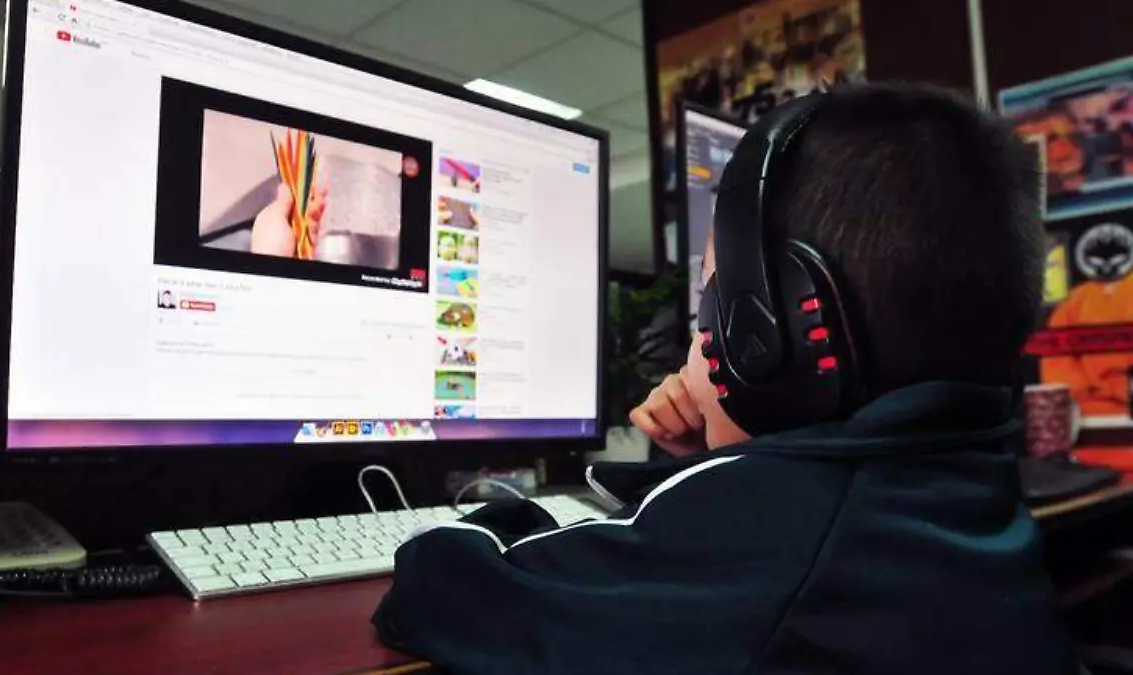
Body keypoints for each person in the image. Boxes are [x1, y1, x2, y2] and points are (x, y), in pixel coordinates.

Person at [373, 83, 1080, 675]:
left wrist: (492, 512)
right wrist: (721, 457)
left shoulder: (783, 528)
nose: (701, 336)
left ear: (768, 335)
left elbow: (446, 590)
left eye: (711, 300)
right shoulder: (958, 474)